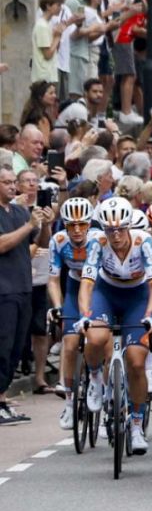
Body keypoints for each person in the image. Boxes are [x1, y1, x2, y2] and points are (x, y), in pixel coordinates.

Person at [77, 197, 152, 453]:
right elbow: (87, 283)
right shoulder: (97, 242)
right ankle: (94, 377)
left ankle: (136, 425)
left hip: (137, 296)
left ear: (129, 227)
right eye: (110, 230)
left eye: (120, 229)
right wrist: (84, 314)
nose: (115, 235)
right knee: (94, 337)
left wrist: (150, 314)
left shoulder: (143, 241)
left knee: (136, 361)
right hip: (107, 293)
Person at [0, 168, 46, 423]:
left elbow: (41, 242)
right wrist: (29, 225)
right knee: (3, 346)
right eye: (5, 182)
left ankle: (3, 399)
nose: (11, 186)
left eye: (11, 182)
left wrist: (44, 224)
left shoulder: (20, 212)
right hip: (3, 290)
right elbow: (2, 244)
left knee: (17, 348)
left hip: (24, 287)